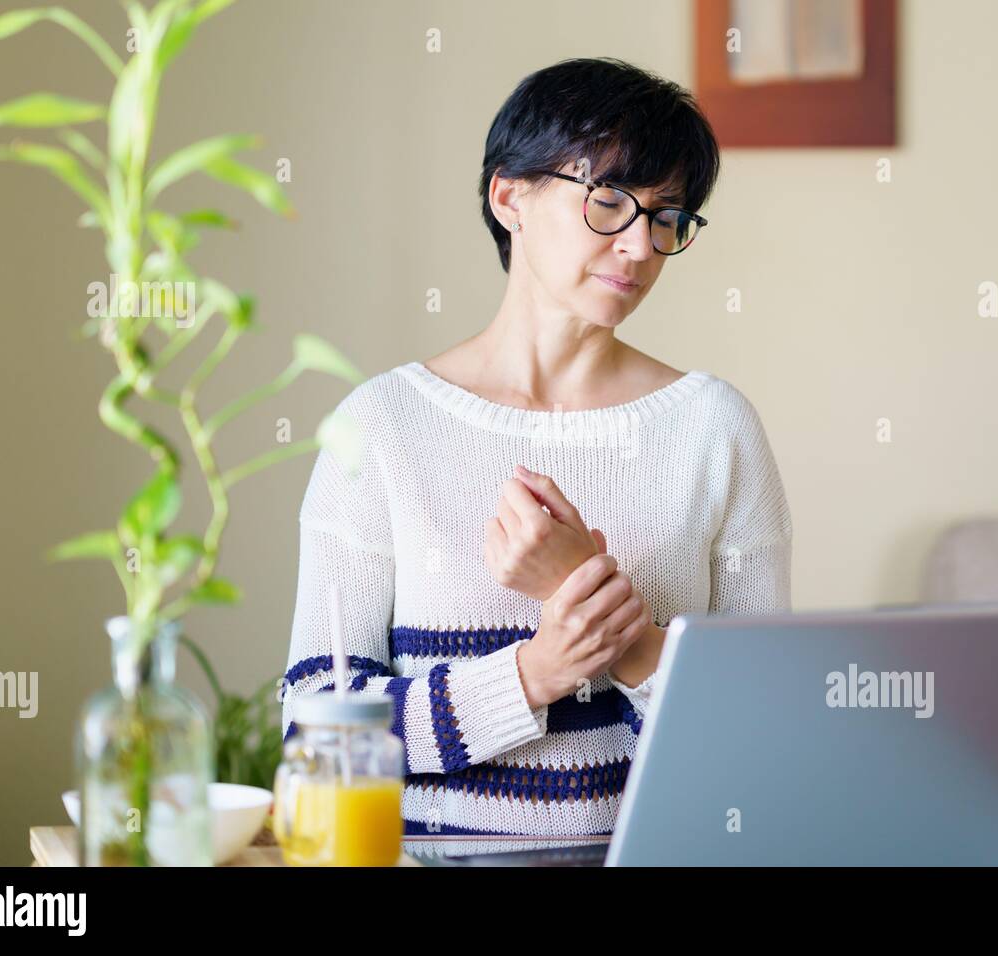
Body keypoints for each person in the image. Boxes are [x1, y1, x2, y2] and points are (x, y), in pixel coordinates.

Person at [280, 57, 792, 836]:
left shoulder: (714, 429)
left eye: (666, 216)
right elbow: (317, 734)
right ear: (510, 196)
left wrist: (603, 619)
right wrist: (535, 672)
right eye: (611, 201)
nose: (641, 246)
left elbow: (760, 745)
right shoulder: (381, 427)